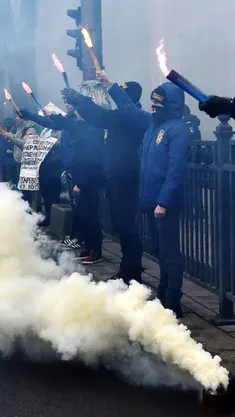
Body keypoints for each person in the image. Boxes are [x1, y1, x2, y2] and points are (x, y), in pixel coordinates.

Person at [100, 72, 192, 318]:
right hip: (151, 201)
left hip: (165, 203)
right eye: (153, 102)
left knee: (170, 252)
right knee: (160, 251)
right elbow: (130, 109)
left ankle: (173, 301)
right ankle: (163, 294)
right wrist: (111, 86)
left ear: (171, 105)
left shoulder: (178, 130)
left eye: (159, 103)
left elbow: (175, 171)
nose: (154, 107)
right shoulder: (153, 124)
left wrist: (163, 201)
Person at [62, 81, 146, 284]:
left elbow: (100, 116)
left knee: (127, 227)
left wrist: (80, 100)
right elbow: (100, 116)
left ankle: (131, 272)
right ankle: (128, 269)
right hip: (117, 175)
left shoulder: (129, 117)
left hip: (124, 176)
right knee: (122, 226)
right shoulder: (125, 116)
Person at [20, 105, 105, 265]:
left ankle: (94, 249)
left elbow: (91, 160)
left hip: (86, 179)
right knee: (81, 213)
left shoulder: (92, 130)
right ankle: (86, 245)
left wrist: (82, 182)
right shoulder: (77, 125)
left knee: (90, 216)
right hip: (75, 172)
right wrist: (31, 114)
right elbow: (52, 122)